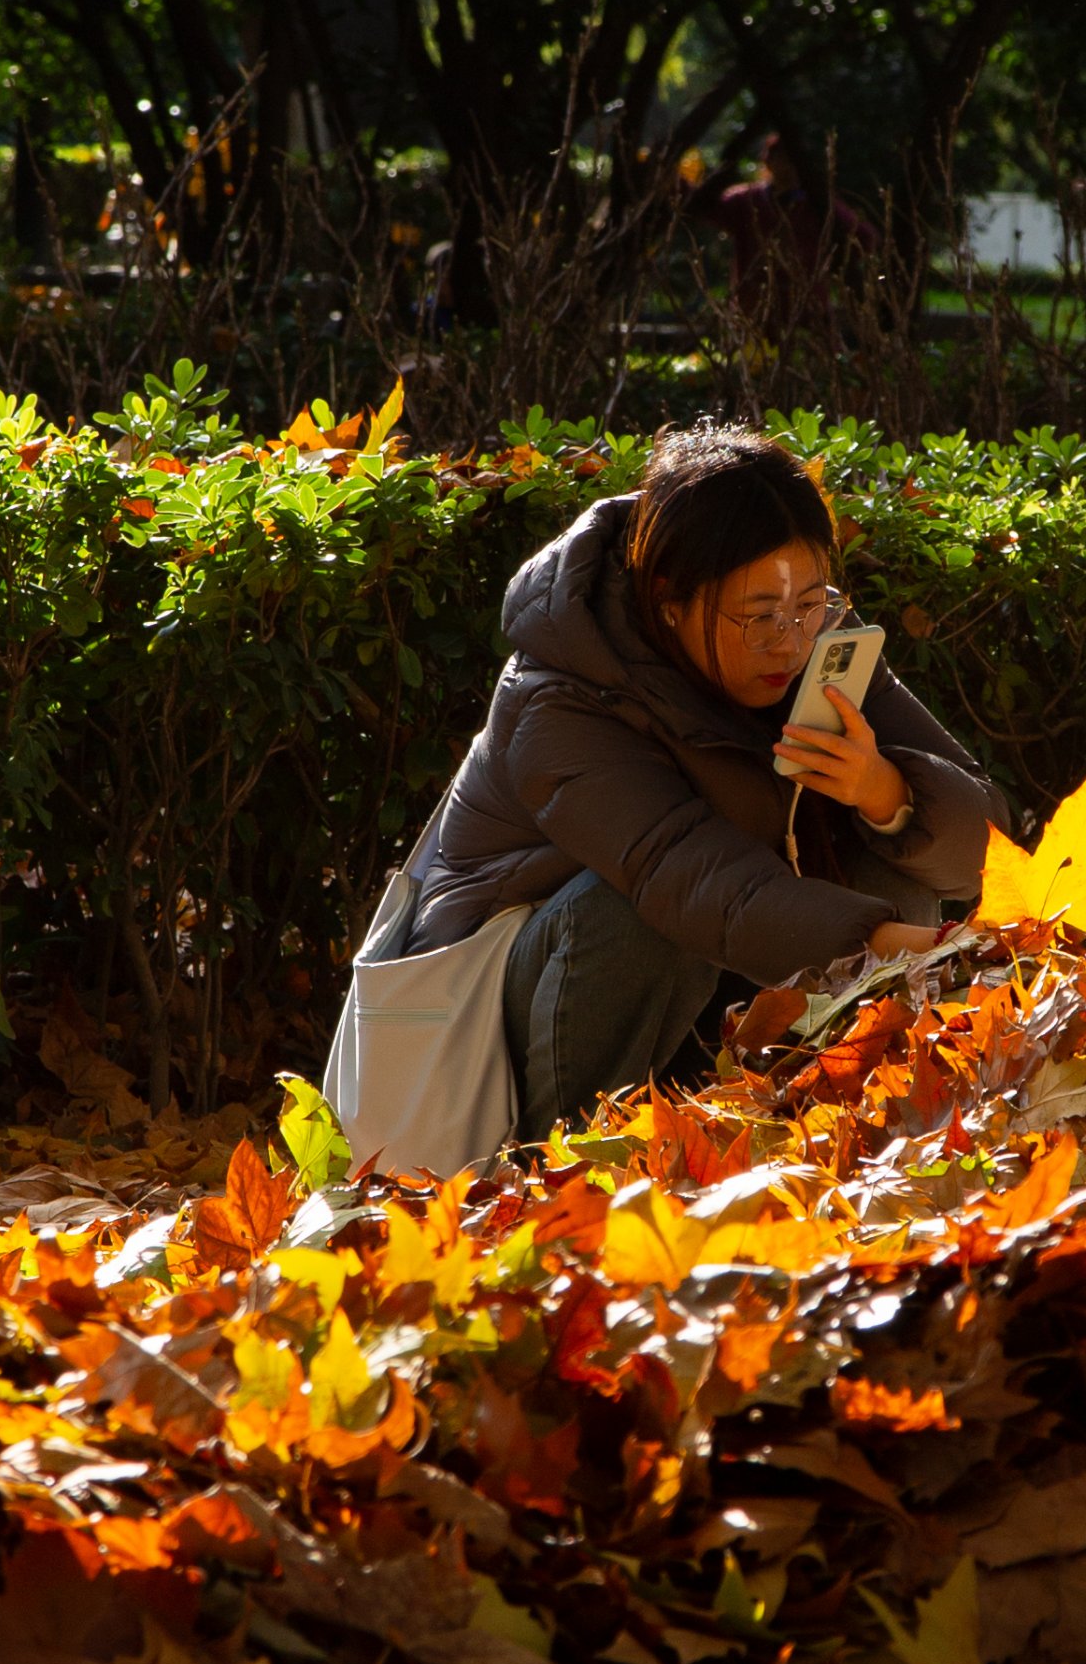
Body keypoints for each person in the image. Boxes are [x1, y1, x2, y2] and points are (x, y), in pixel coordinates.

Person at [405, 421, 1008, 1137]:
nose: (790, 640)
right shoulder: (561, 694)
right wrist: (909, 946)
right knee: (633, 916)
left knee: (887, 858)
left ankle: (846, 1140)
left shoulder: (821, 645)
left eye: (809, 603)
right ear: (670, 597)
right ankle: (572, 1163)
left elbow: (988, 844)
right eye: (759, 618)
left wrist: (887, 791)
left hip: (713, 966)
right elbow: (696, 886)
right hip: (509, 1001)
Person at [693, 134, 879, 339]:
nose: (787, 167)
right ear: (768, 162)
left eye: (793, 160)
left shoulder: (819, 204)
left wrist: (828, 263)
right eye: (781, 159)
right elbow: (705, 211)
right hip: (755, 306)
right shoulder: (746, 201)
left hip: (808, 306)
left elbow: (864, 238)